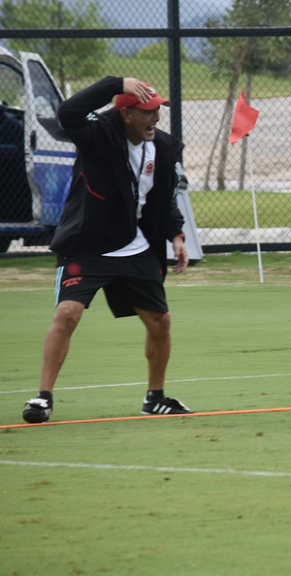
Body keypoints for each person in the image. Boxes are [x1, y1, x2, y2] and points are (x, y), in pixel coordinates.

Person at [22, 77, 193, 424]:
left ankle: (155, 398)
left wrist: (176, 234)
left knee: (161, 322)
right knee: (67, 314)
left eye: (158, 109)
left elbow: (163, 197)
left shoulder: (163, 147)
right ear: (126, 113)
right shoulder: (97, 135)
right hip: (86, 246)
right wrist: (116, 84)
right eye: (147, 111)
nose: (156, 117)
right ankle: (43, 398)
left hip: (135, 247)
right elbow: (68, 111)